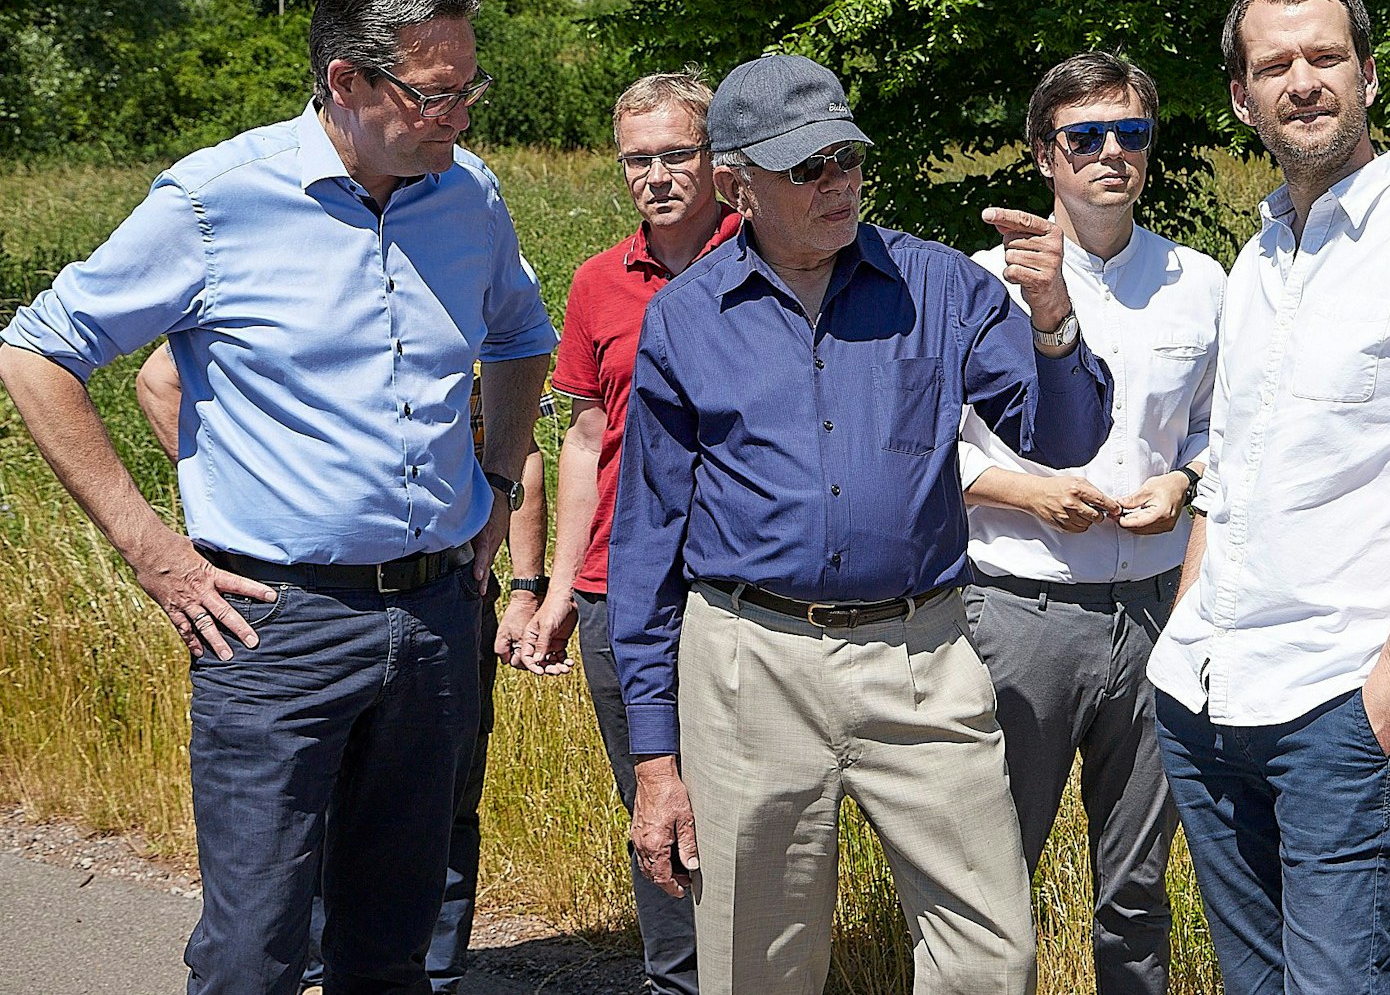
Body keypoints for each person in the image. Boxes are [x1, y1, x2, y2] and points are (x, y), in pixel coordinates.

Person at [0, 0, 556, 995]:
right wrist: (153, 550)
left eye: (470, 89)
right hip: (274, 625)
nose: (462, 118)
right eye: (437, 95)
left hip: (438, 611)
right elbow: (35, 354)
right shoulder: (216, 200)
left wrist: (495, 480)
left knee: (394, 948)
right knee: (255, 950)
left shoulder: (467, 194)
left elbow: (522, 335)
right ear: (346, 83)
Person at [608, 53, 1114, 995]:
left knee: (990, 955)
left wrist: (1052, 320)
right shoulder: (683, 319)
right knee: (754, 964)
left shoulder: (942, 288)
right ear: (736, 183)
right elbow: (647, 543)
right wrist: (655, 755)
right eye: (805, 167)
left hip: (923, 659)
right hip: (746, 663)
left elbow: (1064, 434)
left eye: (845, 156)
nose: (835, 183)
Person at [1147, 0, 1390, 995]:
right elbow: (1225, 478)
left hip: (1334, 705)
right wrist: (1183, 638)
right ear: (1242, 98)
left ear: (1365, 75)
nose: (1301, 81)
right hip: (1204, 695)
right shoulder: (1257, 260)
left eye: (1323, 57)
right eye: (1273, 65)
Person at [133, 349, 557, 995]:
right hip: (297, 602)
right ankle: (308, 962)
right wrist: (239, 507)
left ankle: (432, 972)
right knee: (266, 903)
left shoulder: (471, 267)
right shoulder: (275, 260)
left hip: (443, 588)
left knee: (432, 829)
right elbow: (157, 380)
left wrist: (523, 579)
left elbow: (520, 421)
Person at [956, 51, 1222, 995]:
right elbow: (926, 448)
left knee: (1139, 886)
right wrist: (1027, 492)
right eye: (1086, 136)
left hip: (1154, 613)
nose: (1112, 153)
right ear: (1042, 154)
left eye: (1133, 134)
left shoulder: (1201, 282)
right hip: (1017, 610)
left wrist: (1185, 482)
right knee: (995, 878)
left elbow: (1222, 428)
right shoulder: (982, 284)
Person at [504, 70, 745, 995]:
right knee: (653, 801)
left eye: (676, 154)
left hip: (733, 584)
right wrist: (552, 590)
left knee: (747, 809)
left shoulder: (764, 257)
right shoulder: (601, 282)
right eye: (637, 160)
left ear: (717, 160)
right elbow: (584, 439)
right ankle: (673, 980)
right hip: (618, 589)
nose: (656, 176)